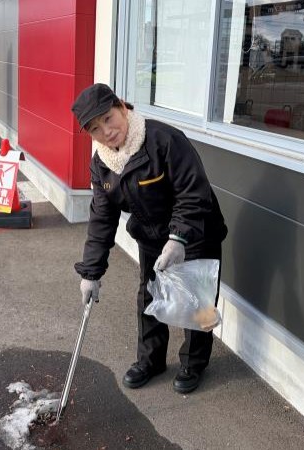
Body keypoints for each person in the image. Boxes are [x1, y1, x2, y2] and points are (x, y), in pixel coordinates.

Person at [71, 83, 227, 394]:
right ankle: (151, 360)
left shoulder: (163, 140)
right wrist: (91, 272)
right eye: (95, 129)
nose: (107, 132)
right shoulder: (103, 164)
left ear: (121, 106)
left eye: (108, 118)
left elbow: (193, 192)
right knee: (150, 297)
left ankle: (195, 363)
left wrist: (179, 238)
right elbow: (102, 218)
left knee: (199, 302)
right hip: (152, 237)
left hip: (196, 231)